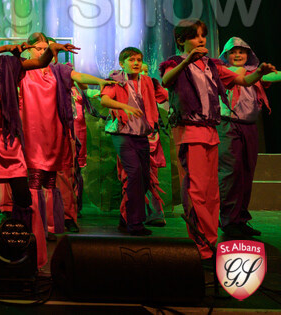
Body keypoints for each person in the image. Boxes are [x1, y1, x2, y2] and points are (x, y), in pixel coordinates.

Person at [0, 20, 77, 274]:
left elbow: (39, 63)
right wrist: (4, 49)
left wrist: (51, 50)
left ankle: (22, 252)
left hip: (8, 139)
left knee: (23, 197)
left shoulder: (9, 64)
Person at [160, 20, 275, 266]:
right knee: (197, 191)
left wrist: (260, 72)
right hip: (190, 131)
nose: (201, 40)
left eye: (203, 35)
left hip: (210, 131)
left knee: (212, 193)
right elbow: (166, 81)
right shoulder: (175, 62)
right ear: (181, 40)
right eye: (194, 36)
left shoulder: (212, 66)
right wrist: (186, 62)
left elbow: (244, 81)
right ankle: (200, 246)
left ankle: (210, 244)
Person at [19, 32, 112, 240]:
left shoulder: (58, 69)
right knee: (34, 179)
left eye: (45, 49)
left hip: (54, 129)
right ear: (29, 49)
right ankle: (35, 225)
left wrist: (100, 81)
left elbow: (79, 77)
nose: (42, 52)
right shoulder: (23, 69)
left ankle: (53, 224)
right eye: (38, 49)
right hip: (31, 131)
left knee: (53, 179)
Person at [100, 47, 168, 236]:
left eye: (139, 59)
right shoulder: (116, 80)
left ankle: (125, 218)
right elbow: (105, 100)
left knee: (144, 179)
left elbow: (163, 97)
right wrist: (124, 107)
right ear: (122, 63)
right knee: (135, 174)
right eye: (131, 60)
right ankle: (135, 223)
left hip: (142, 134)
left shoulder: (147, 81)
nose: (136, 63)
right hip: (122, 134)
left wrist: (156, 86)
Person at [217, 37, 280, 238]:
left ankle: (240, 219)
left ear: (248, 54)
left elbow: (273, 77)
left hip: (250, 127)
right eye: (233, 52)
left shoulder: (254, 73)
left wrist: (262, 72)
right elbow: (238, 76)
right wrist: (256, 72)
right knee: (231, 173)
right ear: (226, 55)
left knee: (246, 173)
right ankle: (228, 220)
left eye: (241, 52)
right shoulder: (222, 71)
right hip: (229, 125)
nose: (237, 55)